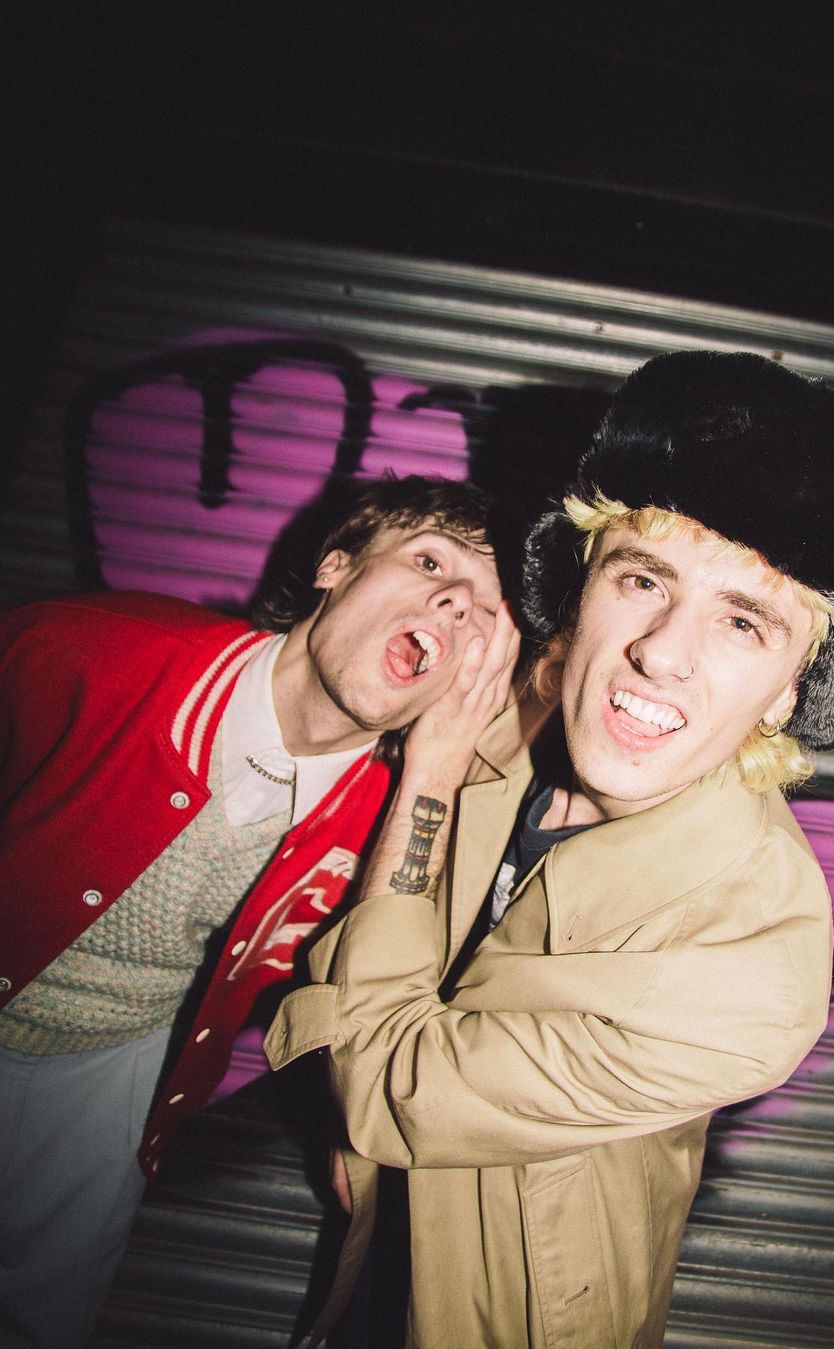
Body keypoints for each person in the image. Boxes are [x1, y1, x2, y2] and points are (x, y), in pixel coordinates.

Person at [266, 351, 834, 1348]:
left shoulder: (752, 962)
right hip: (373, 1266)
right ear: (579, 592)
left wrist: (429, 775)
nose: (661, 650)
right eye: (642, 578)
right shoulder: (517, 722)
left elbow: (381, 1082)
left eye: (744, 622)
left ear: (790, 689)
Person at [0, 475, 507, 1349]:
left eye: (486, 615)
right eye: (431, 563)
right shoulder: (91, 651)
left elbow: (378, 1003)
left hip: (115, 1078)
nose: (458, 603)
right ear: (335, 566)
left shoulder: (394, 824)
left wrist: (435, 769)